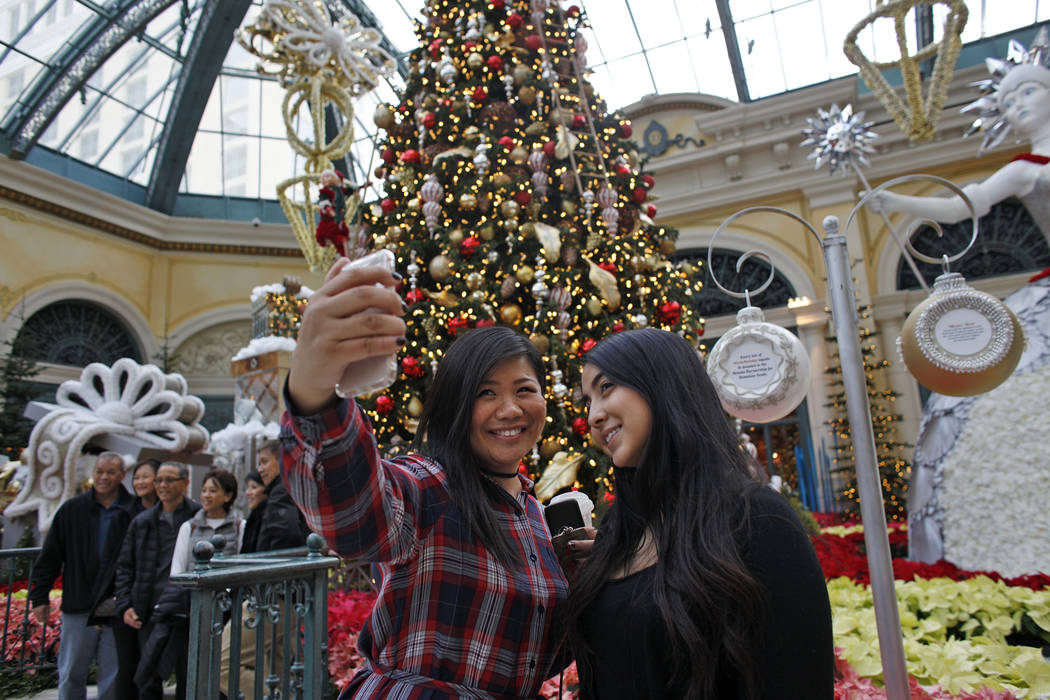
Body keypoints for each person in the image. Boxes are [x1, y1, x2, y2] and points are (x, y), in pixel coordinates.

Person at [279, 258, 570, 698]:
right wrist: (314, 388)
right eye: (485, 393)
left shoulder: (536, 516)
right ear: (455, 406)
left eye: (525, 390)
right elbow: (356, 514)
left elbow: (535, 655)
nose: (510, 409)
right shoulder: (430, 484)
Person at [569, 329, 834, 699]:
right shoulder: (619, 532)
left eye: (607, 387)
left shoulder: (757, 521)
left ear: (662, 383)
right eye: (587, 401)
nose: (594, 416)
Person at [868, 33, 1050, 248]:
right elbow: (957, 208)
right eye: (1008, 104)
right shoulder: (1022, 169)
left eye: (1028, 92)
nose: (1018, 105)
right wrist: (896, 202)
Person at [28, 452, 137, 700]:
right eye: (99, 471)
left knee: (113, 675)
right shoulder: (72, 510)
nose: (104, 477)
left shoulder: (133, 510)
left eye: (111, 472)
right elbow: (51, 556)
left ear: (122, 475)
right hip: (79, 604)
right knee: (70, 673)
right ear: (93, 473)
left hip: (115, 605)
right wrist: (40, 597)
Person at [114, 461, 200, 700]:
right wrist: (125, 605)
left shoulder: (198, 518)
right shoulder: (142, 522)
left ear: (185, 483)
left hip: (186, 609)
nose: (163, 485)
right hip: (149, 609)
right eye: (159, 480)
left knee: (188, 674)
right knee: (148, 678)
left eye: (169, 479)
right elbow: (124, 568)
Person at [170, 468, 243, 575]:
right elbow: (177, 569)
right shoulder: (189, 527)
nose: (206, 495)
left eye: (212, 491)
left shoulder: (239, 526)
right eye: (204, 490)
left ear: (228, 496)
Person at [241, 440, 307, 553]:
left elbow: (286, 533)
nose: (260, 469)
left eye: (264, 462)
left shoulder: (281, 491)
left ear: (282, 460)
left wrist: (273, 564)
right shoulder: (292, 486)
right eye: (259, 464)